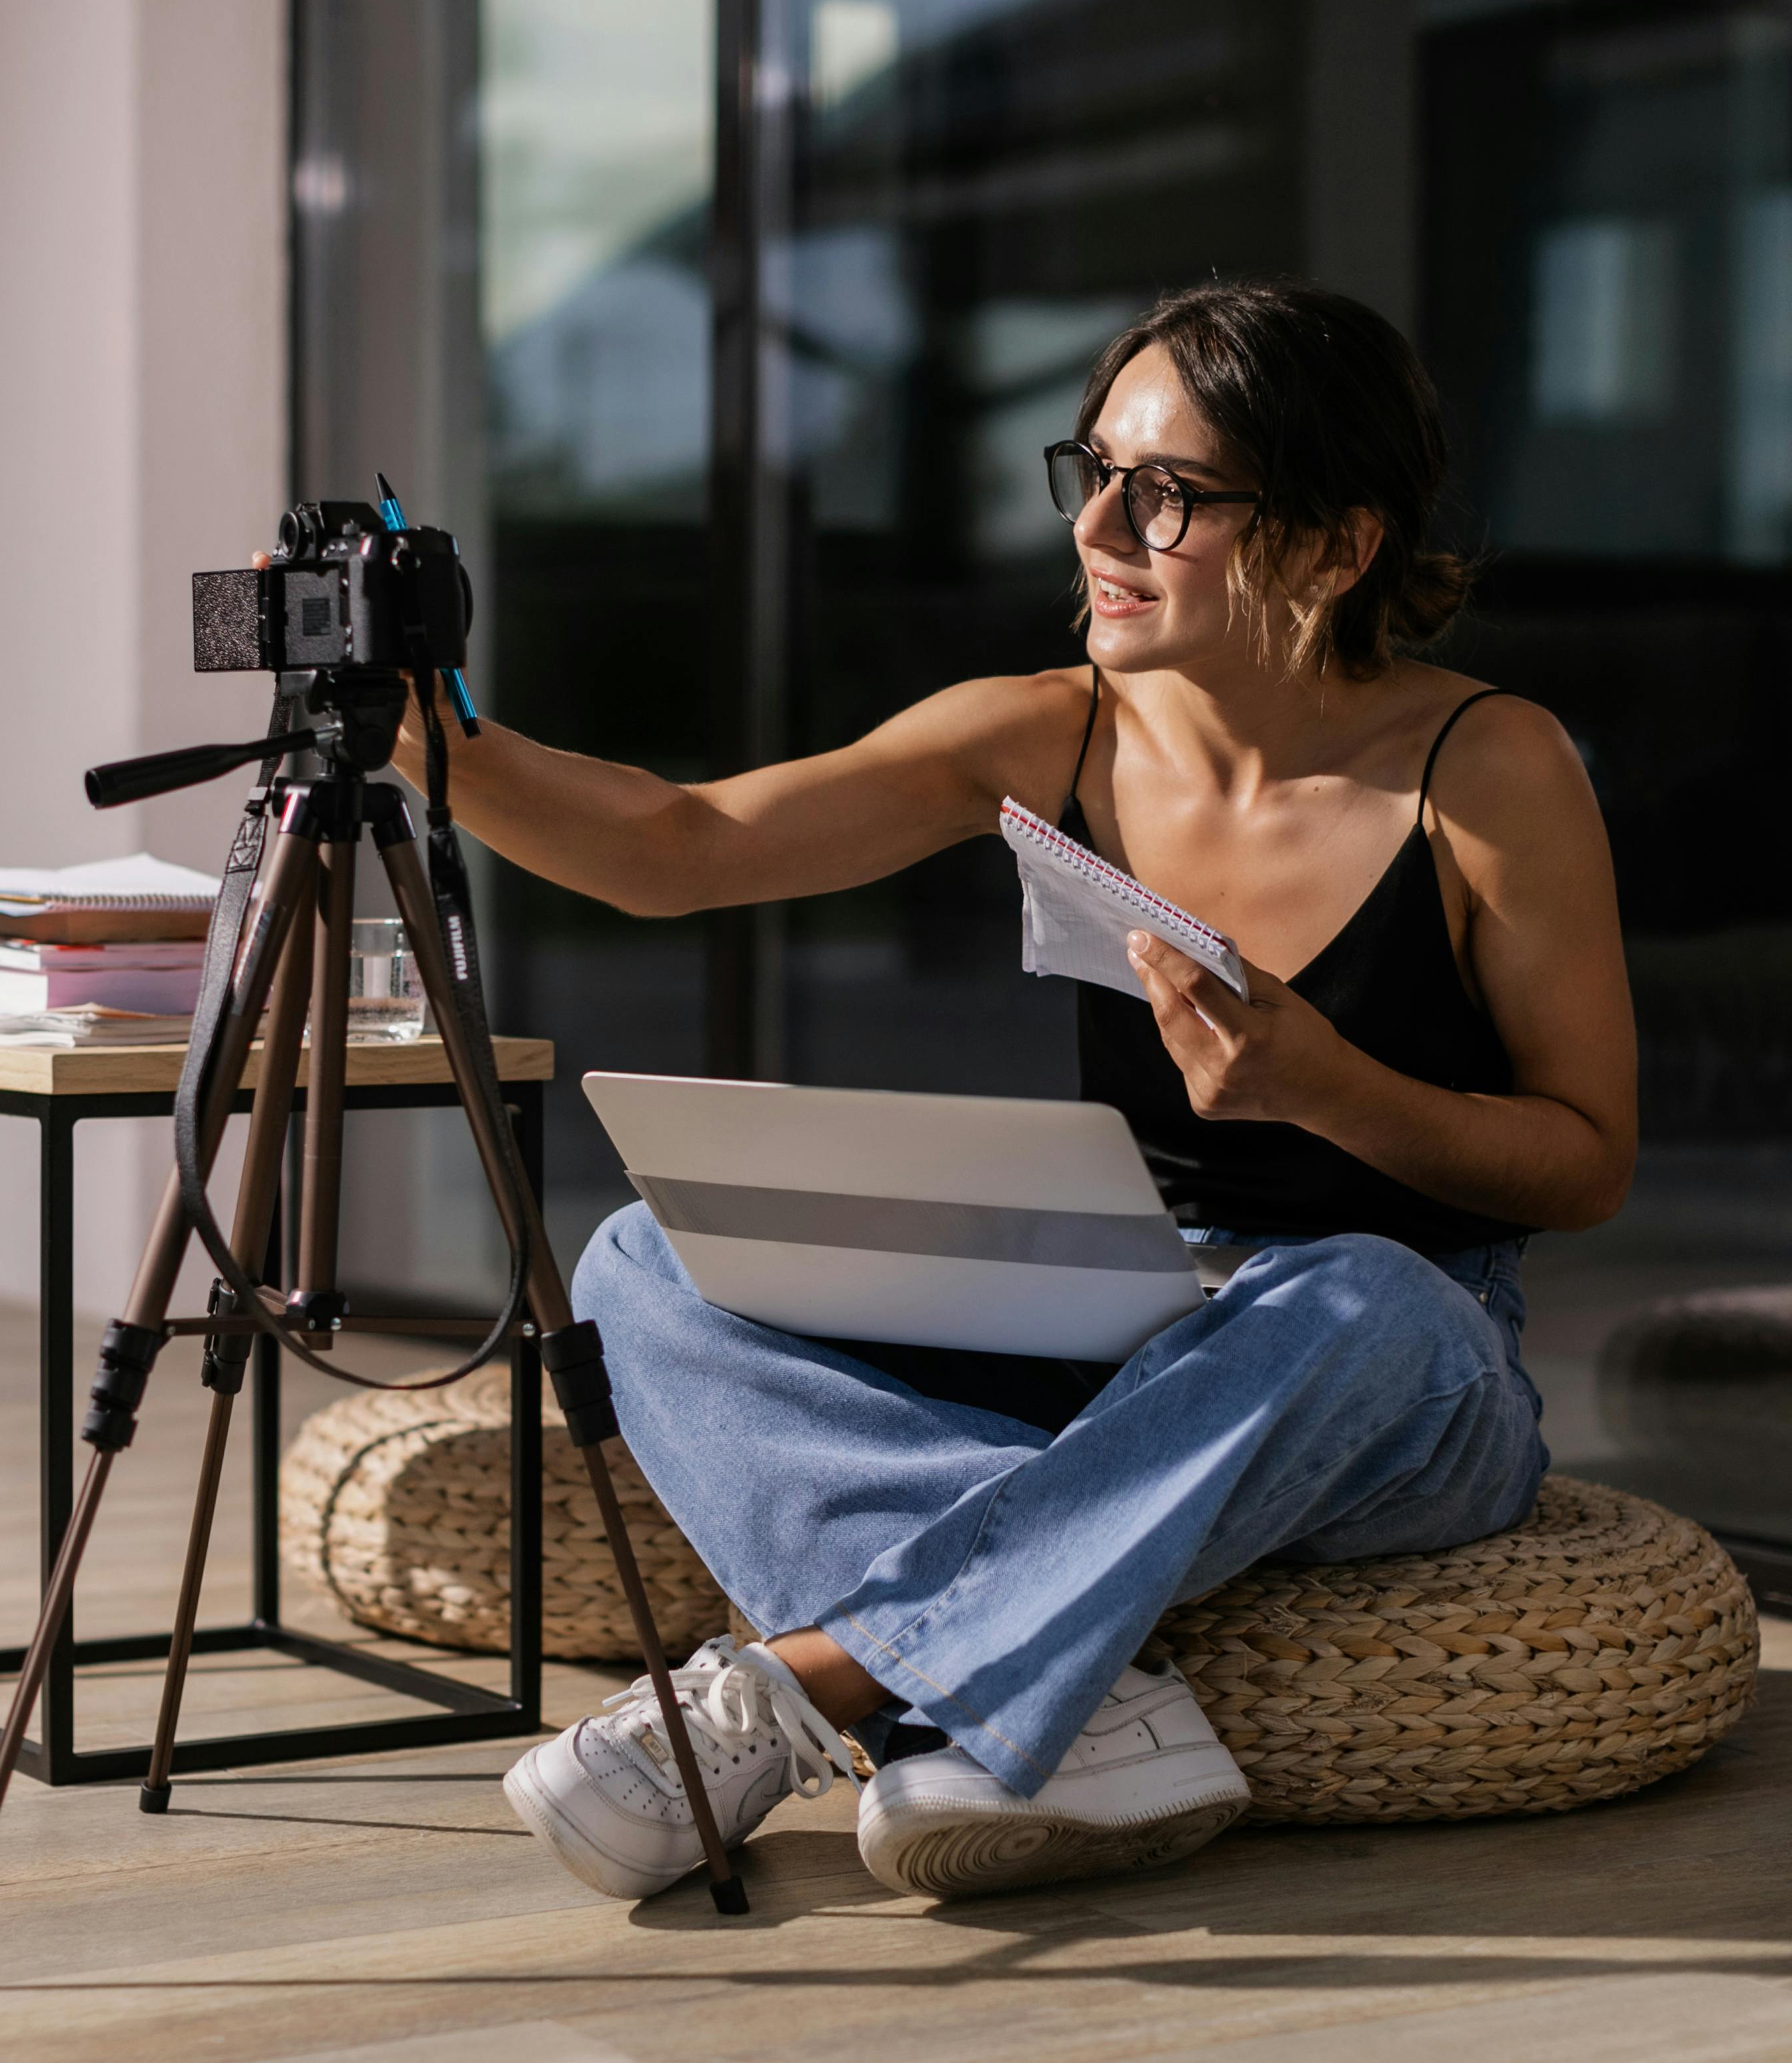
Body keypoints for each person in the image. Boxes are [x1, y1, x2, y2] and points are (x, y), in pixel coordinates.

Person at [399, 278, 1636, 1901]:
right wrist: (426, 735)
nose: (1103, 528)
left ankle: (809, 1687)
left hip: (1394, 1378)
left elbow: (1587, 1162)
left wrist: (1329, 1088)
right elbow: (676, 850)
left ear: (1339, 545)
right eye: (1094, 471)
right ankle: (1088, 1705)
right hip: (1113, 1329)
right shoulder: (1046, 735)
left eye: (1172, 493)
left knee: (1370, 1298)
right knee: (642, 1257)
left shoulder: (1489, 770)